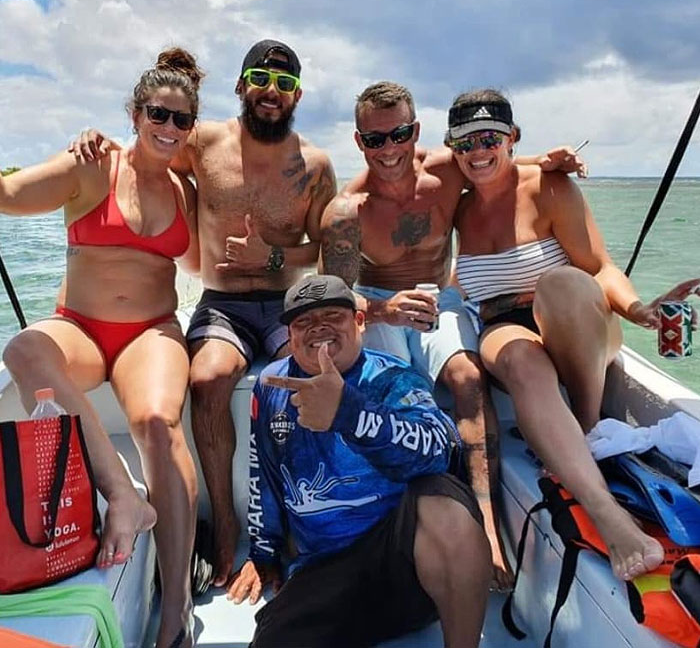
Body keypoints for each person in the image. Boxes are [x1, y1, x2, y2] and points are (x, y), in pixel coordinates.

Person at [70, 39, 337, 588]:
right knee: (210, 378)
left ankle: (294, 522)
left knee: (309, 376)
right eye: (260, 79)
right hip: (224, 305)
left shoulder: (314, 164)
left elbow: (327, 247)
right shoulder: (202, 143)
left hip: (285, 304)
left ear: (297, 95)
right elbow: (145, 150)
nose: (271, 91)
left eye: (285, 84)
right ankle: (226, 526)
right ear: (240, 86)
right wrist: (96, 141)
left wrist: (273, 256)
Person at [319, 80, 584, 590]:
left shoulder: (446, 172)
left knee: (467, 378)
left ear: (416, 130)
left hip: (439, 300)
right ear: (358, 142)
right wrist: (384, 310)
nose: (388, 149)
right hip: (377, 306)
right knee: (390, 397)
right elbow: (334, 298)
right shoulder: (348, 210)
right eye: (374, 140)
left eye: (398, 134)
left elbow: (496, 165)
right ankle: (397, 528)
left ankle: (486, 527)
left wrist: (549, 162)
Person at [448, 87, 700, 581]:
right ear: (451, 148)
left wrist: (637, 310)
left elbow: (599, 268)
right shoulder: (455, 207)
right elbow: (405, 162)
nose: (477, 152)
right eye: (465, 143)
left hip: (576, 323)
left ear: (511, 137)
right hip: (507, 324)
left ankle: (584, 424)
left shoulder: (550, 188)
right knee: (517, 359)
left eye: (489, 139)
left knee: (561, 282)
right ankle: (608, 516)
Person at [1, 48, 203, 648]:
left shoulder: (187, 190)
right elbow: (10, 195)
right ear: (135, 114)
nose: (168, 127)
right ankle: (122, 494)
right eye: (157, 114)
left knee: (158, 424)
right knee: (24, 351)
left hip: (152, 331)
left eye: (181, 119)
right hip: (82, 328)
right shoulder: (89, 165)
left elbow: (202, 263)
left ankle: (177, 610)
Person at [227, 274, 491, 648]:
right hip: (324, 568)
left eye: (333, 316)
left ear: (360, 322)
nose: (318, 327)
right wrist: (263, 550)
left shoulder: (394, 378)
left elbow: (438, 450)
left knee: (441, 496)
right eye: (303, 321)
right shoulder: (272, 385)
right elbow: (264, 469)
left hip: (407, 565)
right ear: (290, 336)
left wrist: (348, 414)